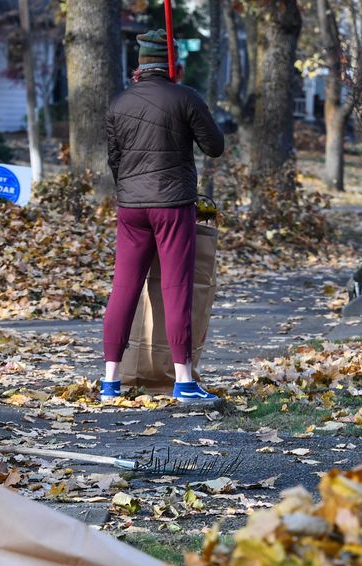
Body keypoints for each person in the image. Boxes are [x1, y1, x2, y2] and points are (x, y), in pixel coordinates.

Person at [100, 30, 226, 405]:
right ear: (174, 64)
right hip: (173, 206)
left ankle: (110, 381)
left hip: (131, 208)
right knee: (175, 289)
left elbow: (115, 163)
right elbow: (214, 147)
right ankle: (184, 381)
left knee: (123, 289)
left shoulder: (119, 104)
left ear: (140, 64)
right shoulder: (184, 98)